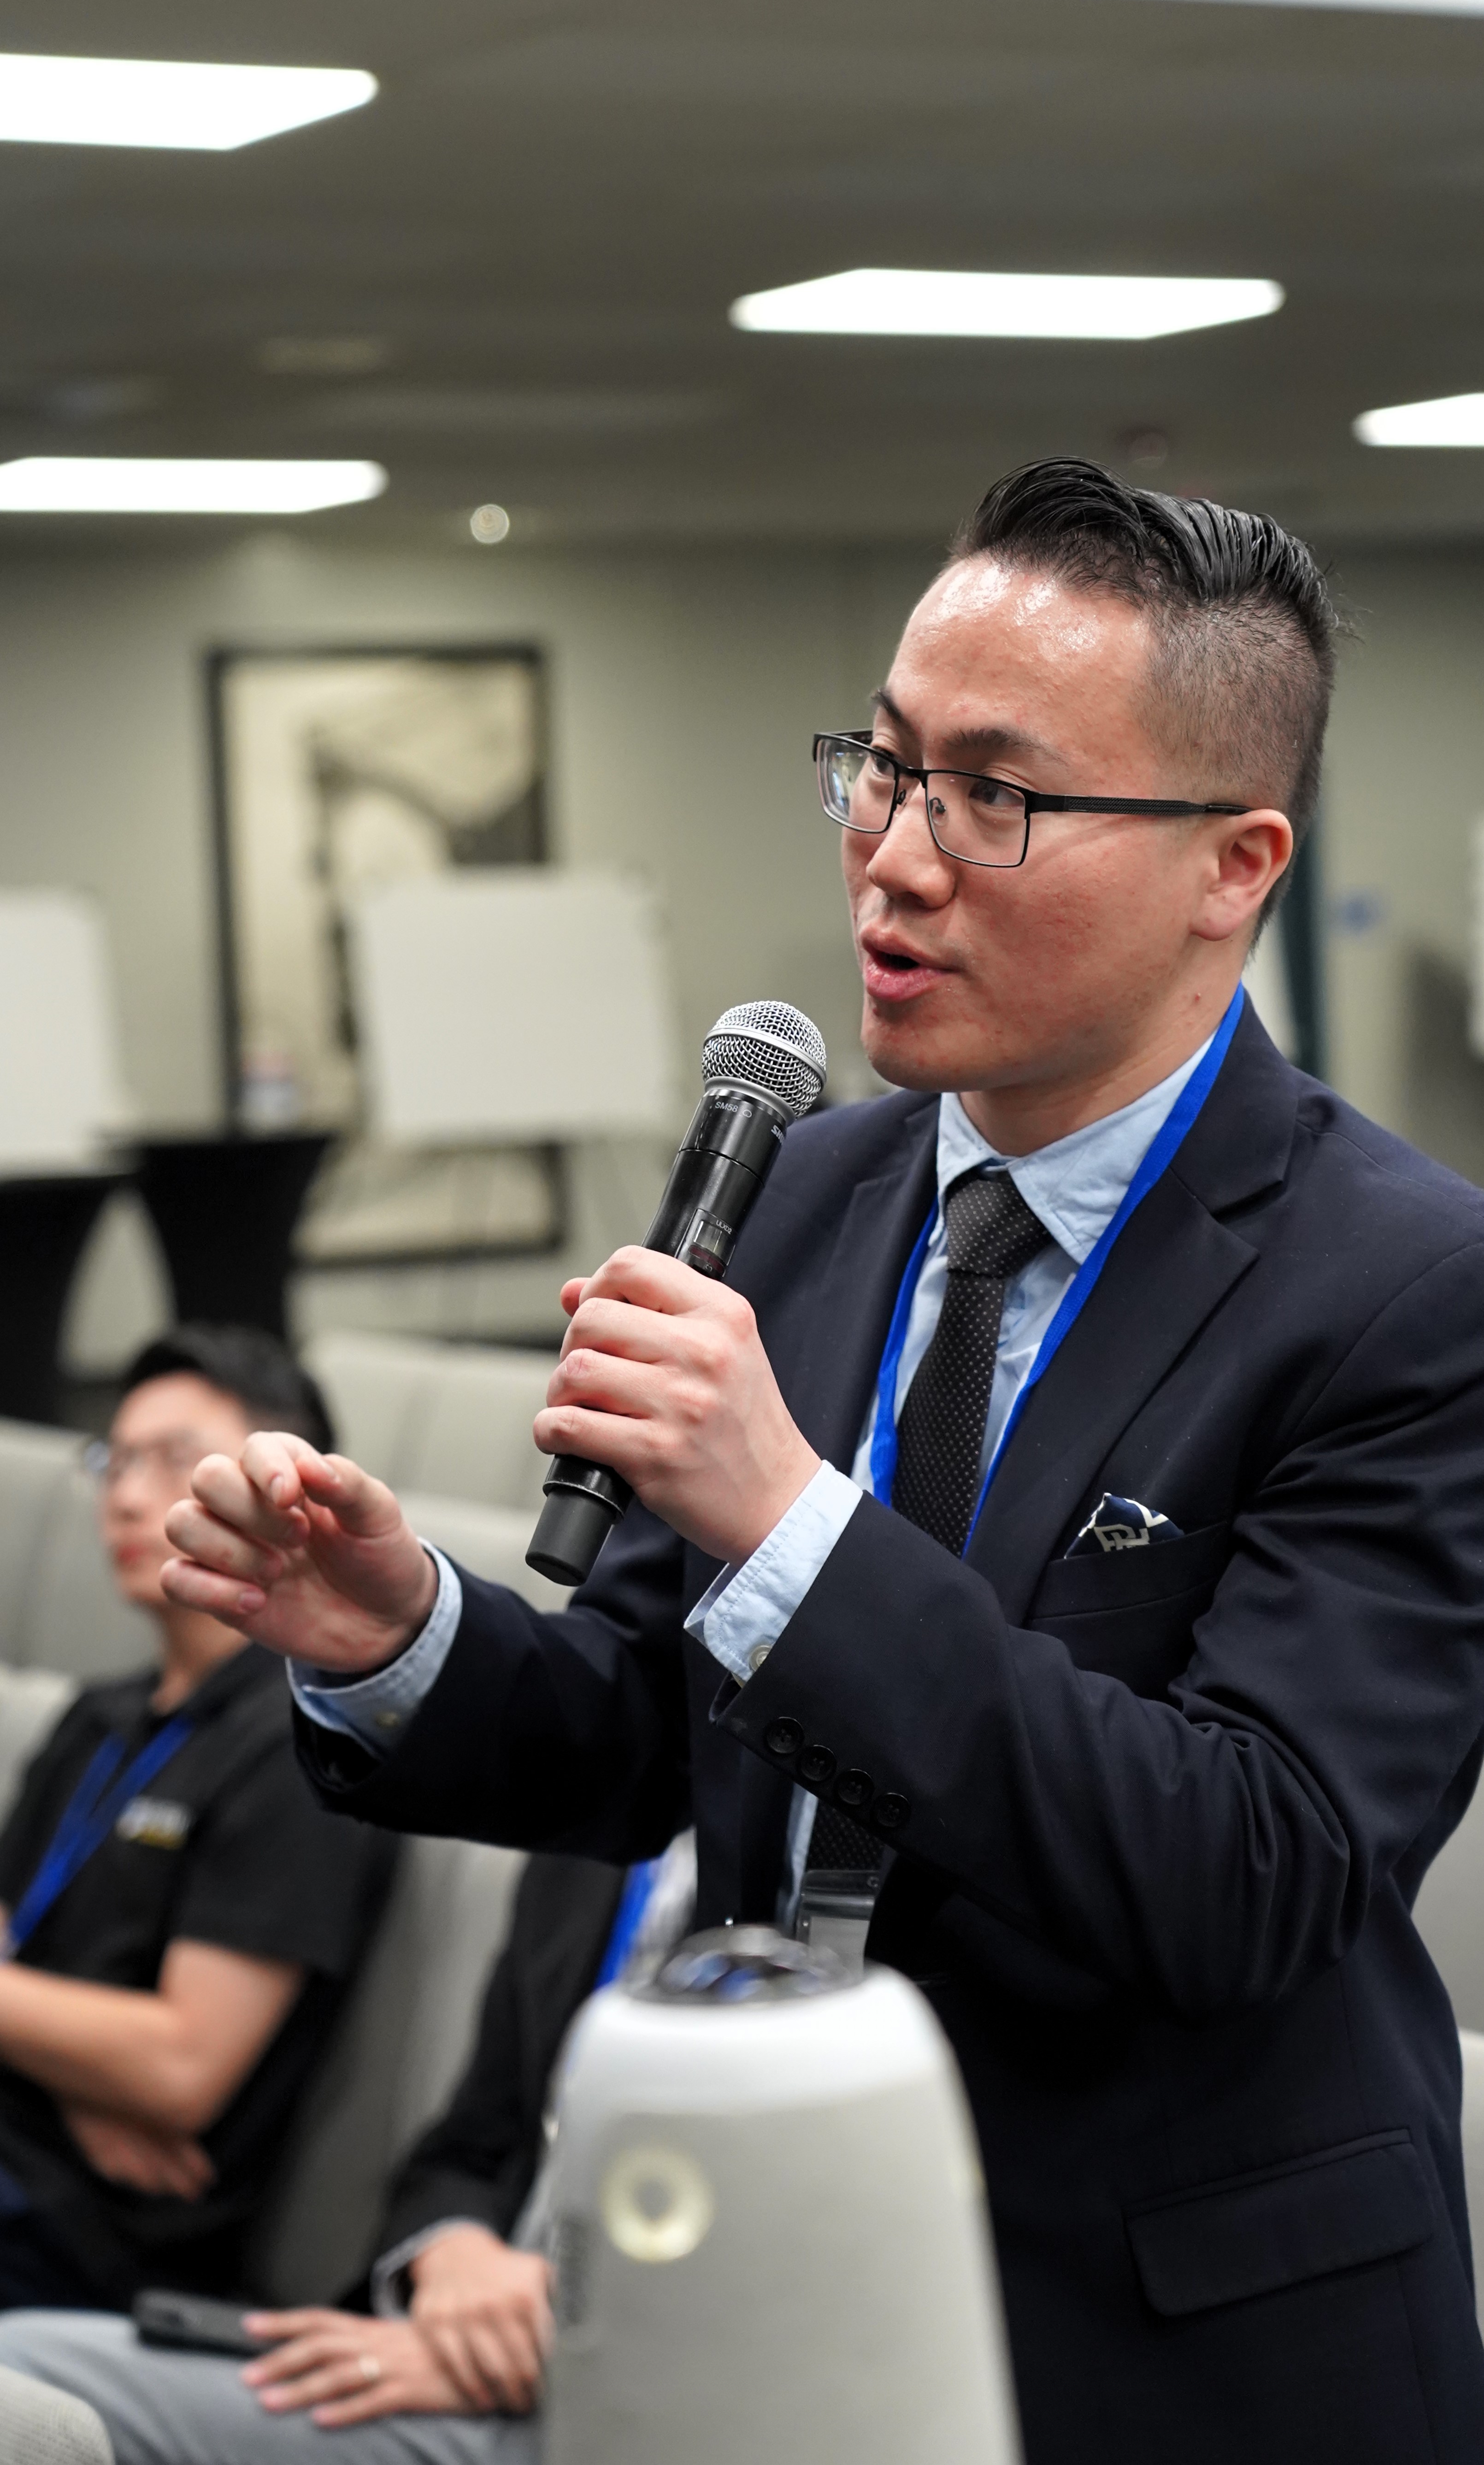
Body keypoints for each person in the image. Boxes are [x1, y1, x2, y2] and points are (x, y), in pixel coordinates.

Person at [161, 460, 1484, 2465]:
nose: (896, 855)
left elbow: (1247, 1870)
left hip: (1173, 2338)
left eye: (995, 796)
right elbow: (649, 1735)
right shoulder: (804, 1191)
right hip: (761, 2266)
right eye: (882, 766)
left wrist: (787, 1515)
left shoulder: (1403, 1286)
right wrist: (398, 1634)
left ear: (1232, 864)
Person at [0, 1839, 696, 2464]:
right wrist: (451, 2250)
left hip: (617, 2401)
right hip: (452, 2335)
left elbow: (178, 2075)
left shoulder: (757, 1876)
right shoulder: (591, 1850)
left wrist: (544, 2345)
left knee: (21, 2374)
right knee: (21, 2367)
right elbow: (464, 2149)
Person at [0, 1325, 395, 2312]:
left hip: (95, 2242)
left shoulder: (304, 1746)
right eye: (116, 1460)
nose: (128, 1497)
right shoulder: (99, 1716)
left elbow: (181, 2069)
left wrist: (68, 2065)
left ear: (286, 1492)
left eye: (173, 1459)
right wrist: (75, 2080)